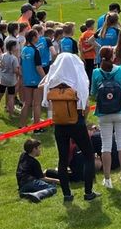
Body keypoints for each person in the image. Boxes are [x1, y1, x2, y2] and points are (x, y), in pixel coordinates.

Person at [41, 51, 98, 203]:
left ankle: (67, 194)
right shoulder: (77, 79)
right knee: (88, 155)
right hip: (76, 120)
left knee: (63, 158)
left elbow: (47, 103)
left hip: (59, 123)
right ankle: (88, 192)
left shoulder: (52, 81)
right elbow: (85, 104)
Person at [92, 46, 121, 188]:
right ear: (113, 56)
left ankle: (107, 179)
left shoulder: (96, 72)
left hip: (104, 112)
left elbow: (93, 92)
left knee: (106, 145)